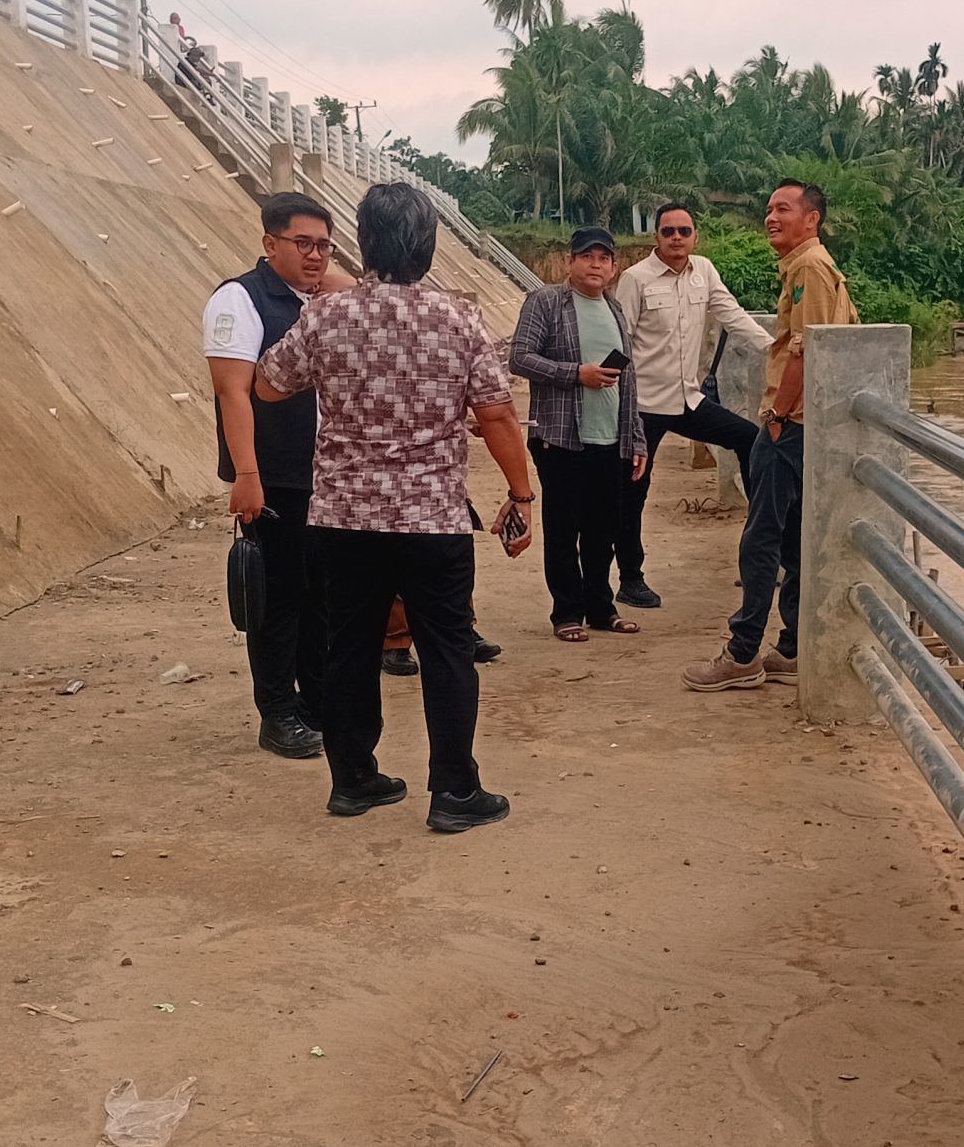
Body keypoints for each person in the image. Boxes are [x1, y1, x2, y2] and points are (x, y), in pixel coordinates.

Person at [256, 183, 536, 832]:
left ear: (365, 243)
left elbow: (269, 385)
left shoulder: (326, 316)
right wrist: (521, 492)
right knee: (447, 648)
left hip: (343, 519)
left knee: (348, 645)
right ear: (429, 245)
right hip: (431, 520)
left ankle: (353, 778)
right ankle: (455, 790)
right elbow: (494, 414)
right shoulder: (458, 320)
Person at [682, 179, 855, 691]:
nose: (770, 217)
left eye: (783, 208)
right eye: (768, 208)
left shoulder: (809, 267)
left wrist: (777, 414)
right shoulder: (803, 267)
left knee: (761, 537)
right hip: (800, 423)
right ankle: (795, 647)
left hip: (792, 423)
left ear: (812, 218)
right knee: (795, 539)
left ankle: (742, 653)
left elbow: (806, 349)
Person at [207, 192, 341, 759]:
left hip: (324, 472)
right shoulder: (240, 300)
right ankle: (278, 712)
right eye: (302, 243)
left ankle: (315, 703)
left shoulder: (316, 298)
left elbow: (356, 290)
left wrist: (329, 278)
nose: (315, 256)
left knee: (321, 596)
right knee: (278, 599)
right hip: (274, 475)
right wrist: (247, 474)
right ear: (269, 243)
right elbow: (231, 391)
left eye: (324, 245)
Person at [609, 203, 770, 608]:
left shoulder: (705, 271)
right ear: (656, 238)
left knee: (749, 438)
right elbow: (619, 341)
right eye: (668, 231)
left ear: (695, 235)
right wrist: (611, 399)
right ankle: (631, 578)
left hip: (687, 399)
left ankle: (765, 551)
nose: (677, 238)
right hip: (643, 405)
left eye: (684, 230)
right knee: (633, 493)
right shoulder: (636, 279)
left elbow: (733, 316)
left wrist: (777, 351)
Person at [509, 228, 647, 642]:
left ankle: (601, 608)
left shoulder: (615, 308)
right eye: (587, 256)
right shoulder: (546, 302)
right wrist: (576, 374)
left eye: (604, 258)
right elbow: (519, 357)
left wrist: (636, 436)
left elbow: (629, 379)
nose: (596, 264)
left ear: (614, 267)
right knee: (564, 527)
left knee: (604, 528)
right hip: (560, 435)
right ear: (570, 261)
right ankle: (566, 612)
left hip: (610, 436)